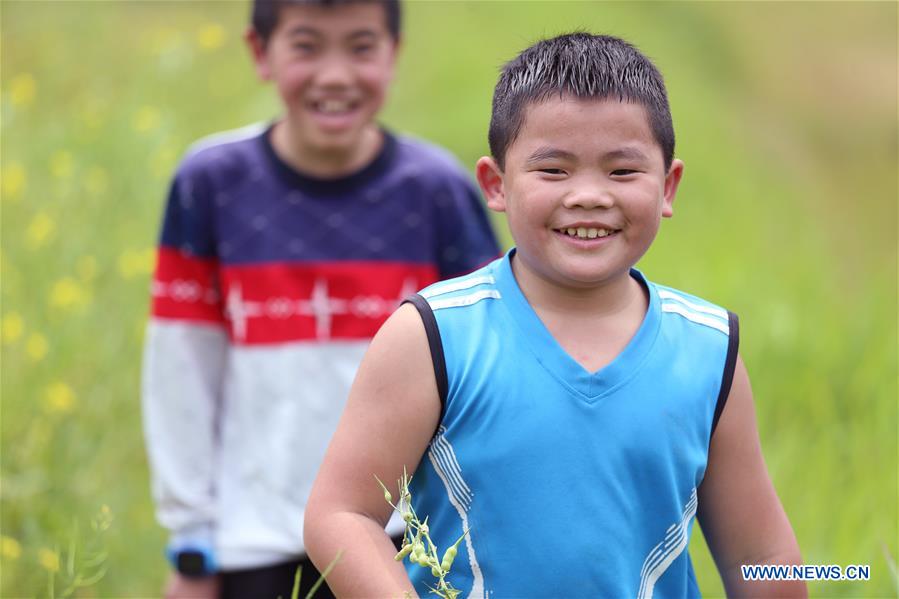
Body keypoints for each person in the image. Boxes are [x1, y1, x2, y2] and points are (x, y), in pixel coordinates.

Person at [304, 32, 806, 597]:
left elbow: (762, 555)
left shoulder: (710, 350)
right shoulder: (434, 335)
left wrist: (843, 575)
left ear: (668, 187)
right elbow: (342, 513)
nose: (589, 195)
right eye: (553, 171)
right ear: (496, 185)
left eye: (621, 172)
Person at [141, 0, 500, 597]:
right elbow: (182, 372)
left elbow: (487, 373)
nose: (335, 76)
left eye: (361, 47)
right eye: (306, 46)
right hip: (253, 545)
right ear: (261, 53)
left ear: (394, 54)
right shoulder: (209, 184)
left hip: (407, 547)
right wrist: (191, 546)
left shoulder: (439, 193)